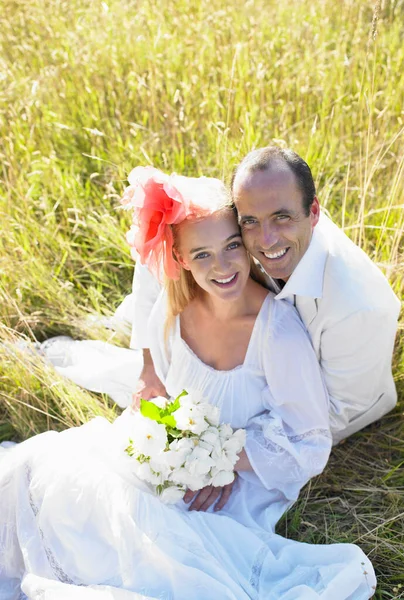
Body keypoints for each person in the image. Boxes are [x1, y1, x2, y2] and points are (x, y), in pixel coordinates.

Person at [0, 169, 376, 599]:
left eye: (232, 246)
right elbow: (167, 395)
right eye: (202, 255)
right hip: (168, 452)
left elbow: (307, 440)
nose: (221, 266)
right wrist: (174, 442)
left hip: (234, 481)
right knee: (49, 478)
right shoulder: (178, 308)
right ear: (179, 260)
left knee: (151, 549)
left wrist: (219, 459)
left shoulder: (276, 332)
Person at [133, 148, 401, 444]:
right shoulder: (245, 211)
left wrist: (216, 449)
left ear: (313, 212)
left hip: (325, 411)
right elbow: (160, 242)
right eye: (250, 222)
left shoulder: (358, 308)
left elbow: (333, 413)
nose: (266, 239)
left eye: (282, 217)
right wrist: (149, 366)